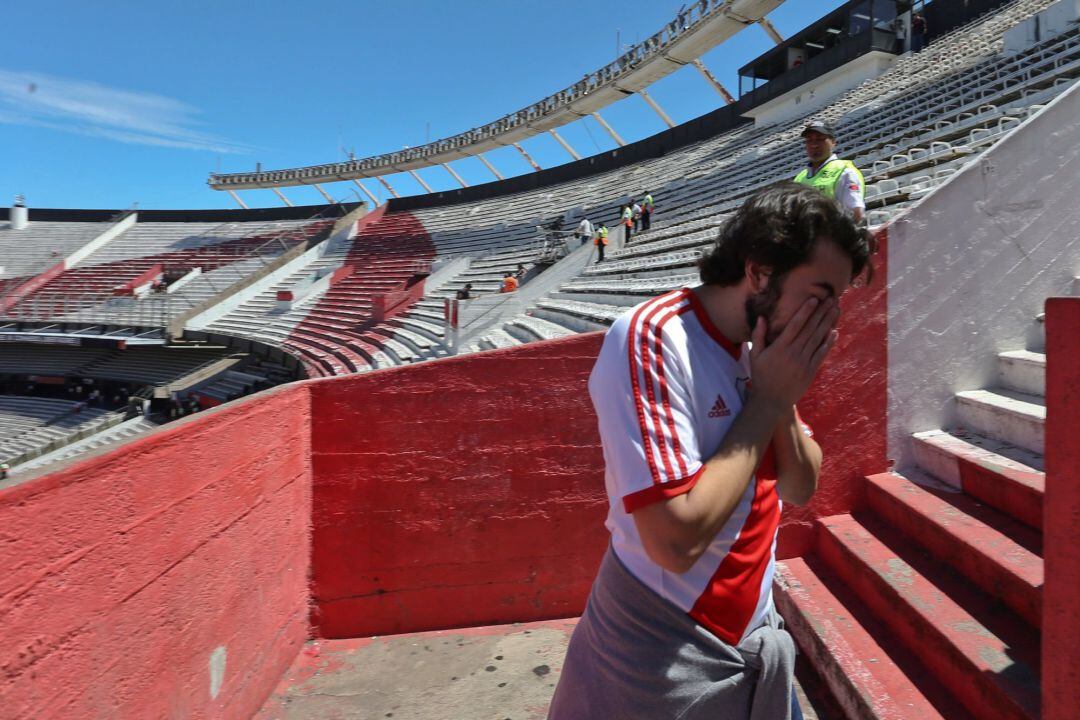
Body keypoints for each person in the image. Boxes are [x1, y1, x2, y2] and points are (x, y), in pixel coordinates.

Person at [547, 183, 873, 720]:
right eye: (819, 295)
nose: (829, 319)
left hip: (755, 632)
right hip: (661, 651)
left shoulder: (762, 349)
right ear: (760, 270)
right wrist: (767, 398)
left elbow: (800, 486)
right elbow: (674, 541)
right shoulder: (655, 337)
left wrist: (782, 398)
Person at [794, 120, 865, 225]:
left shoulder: (844, 171)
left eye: (820, 139)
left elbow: (855, 215)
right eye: (809, 140)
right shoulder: (799, 178)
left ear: (833, 142)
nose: (814, 145)